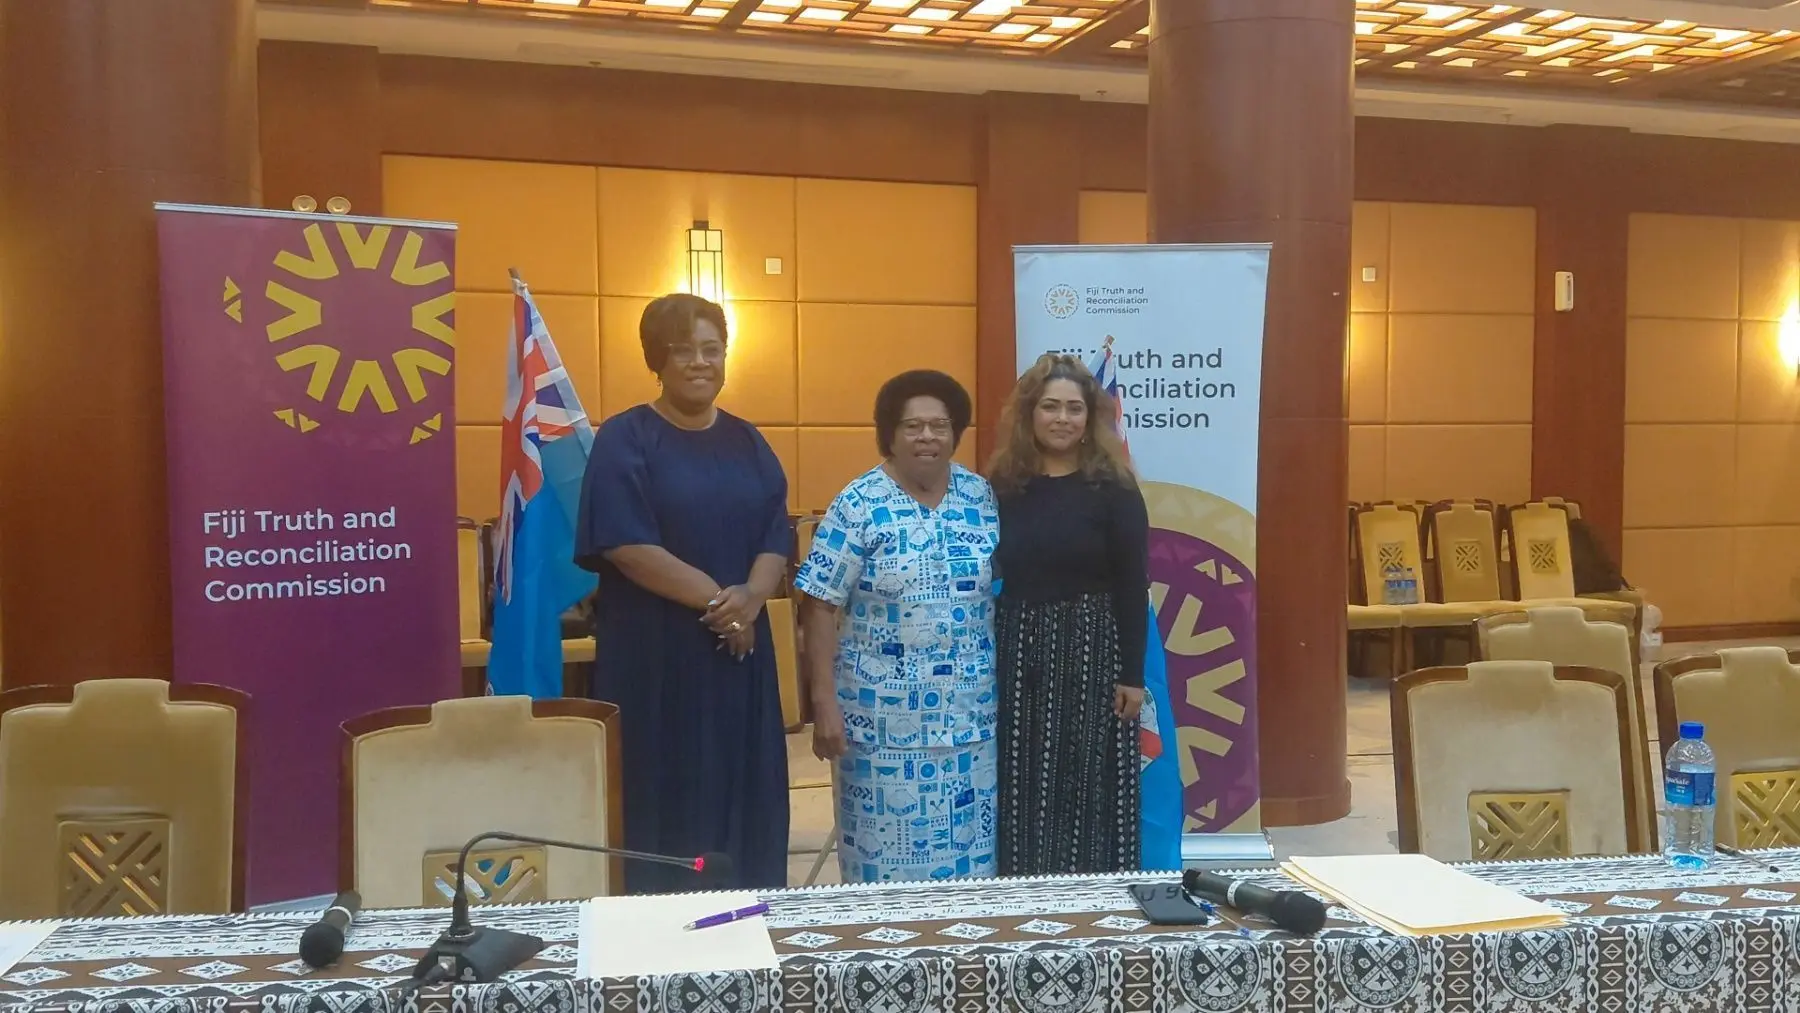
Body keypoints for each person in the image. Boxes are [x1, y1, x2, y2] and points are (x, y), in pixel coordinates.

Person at [574, 293, 790, 894]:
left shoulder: (749, 441)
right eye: (684, 351)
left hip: (739, 655)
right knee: (663, 795)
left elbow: (776, 532)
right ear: (657, 360)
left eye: (712, 349)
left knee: (744, 789)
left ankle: (749, 909)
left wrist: (752, 598)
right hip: (656, 654)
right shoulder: (626, 438)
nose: (700, 362)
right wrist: (725, 604)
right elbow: (625, 543)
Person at [794, 370, 1000, 883]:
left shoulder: (981, 498)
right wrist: (823, 703)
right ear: (889, 433)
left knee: (971, 873)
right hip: (878, 729)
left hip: (970, 723)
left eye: (939, 425)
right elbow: (818, 604)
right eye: (913, 426)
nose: (927, 436)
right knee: (881, 875)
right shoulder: (858, 503)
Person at [987, 354, 1149, 876]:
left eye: (1074, 408)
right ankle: (1026, 889)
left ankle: (1094, 895)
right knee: (1023, 774)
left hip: (1093, 649)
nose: (1062, 418)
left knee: (1089, 780)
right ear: (1029, 414)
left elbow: (1132, 584)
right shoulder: (1002, 485)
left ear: (1090, 417)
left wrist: (1132, 676)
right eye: (1050, 406)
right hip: (1019, 648)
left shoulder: (1115, 488)